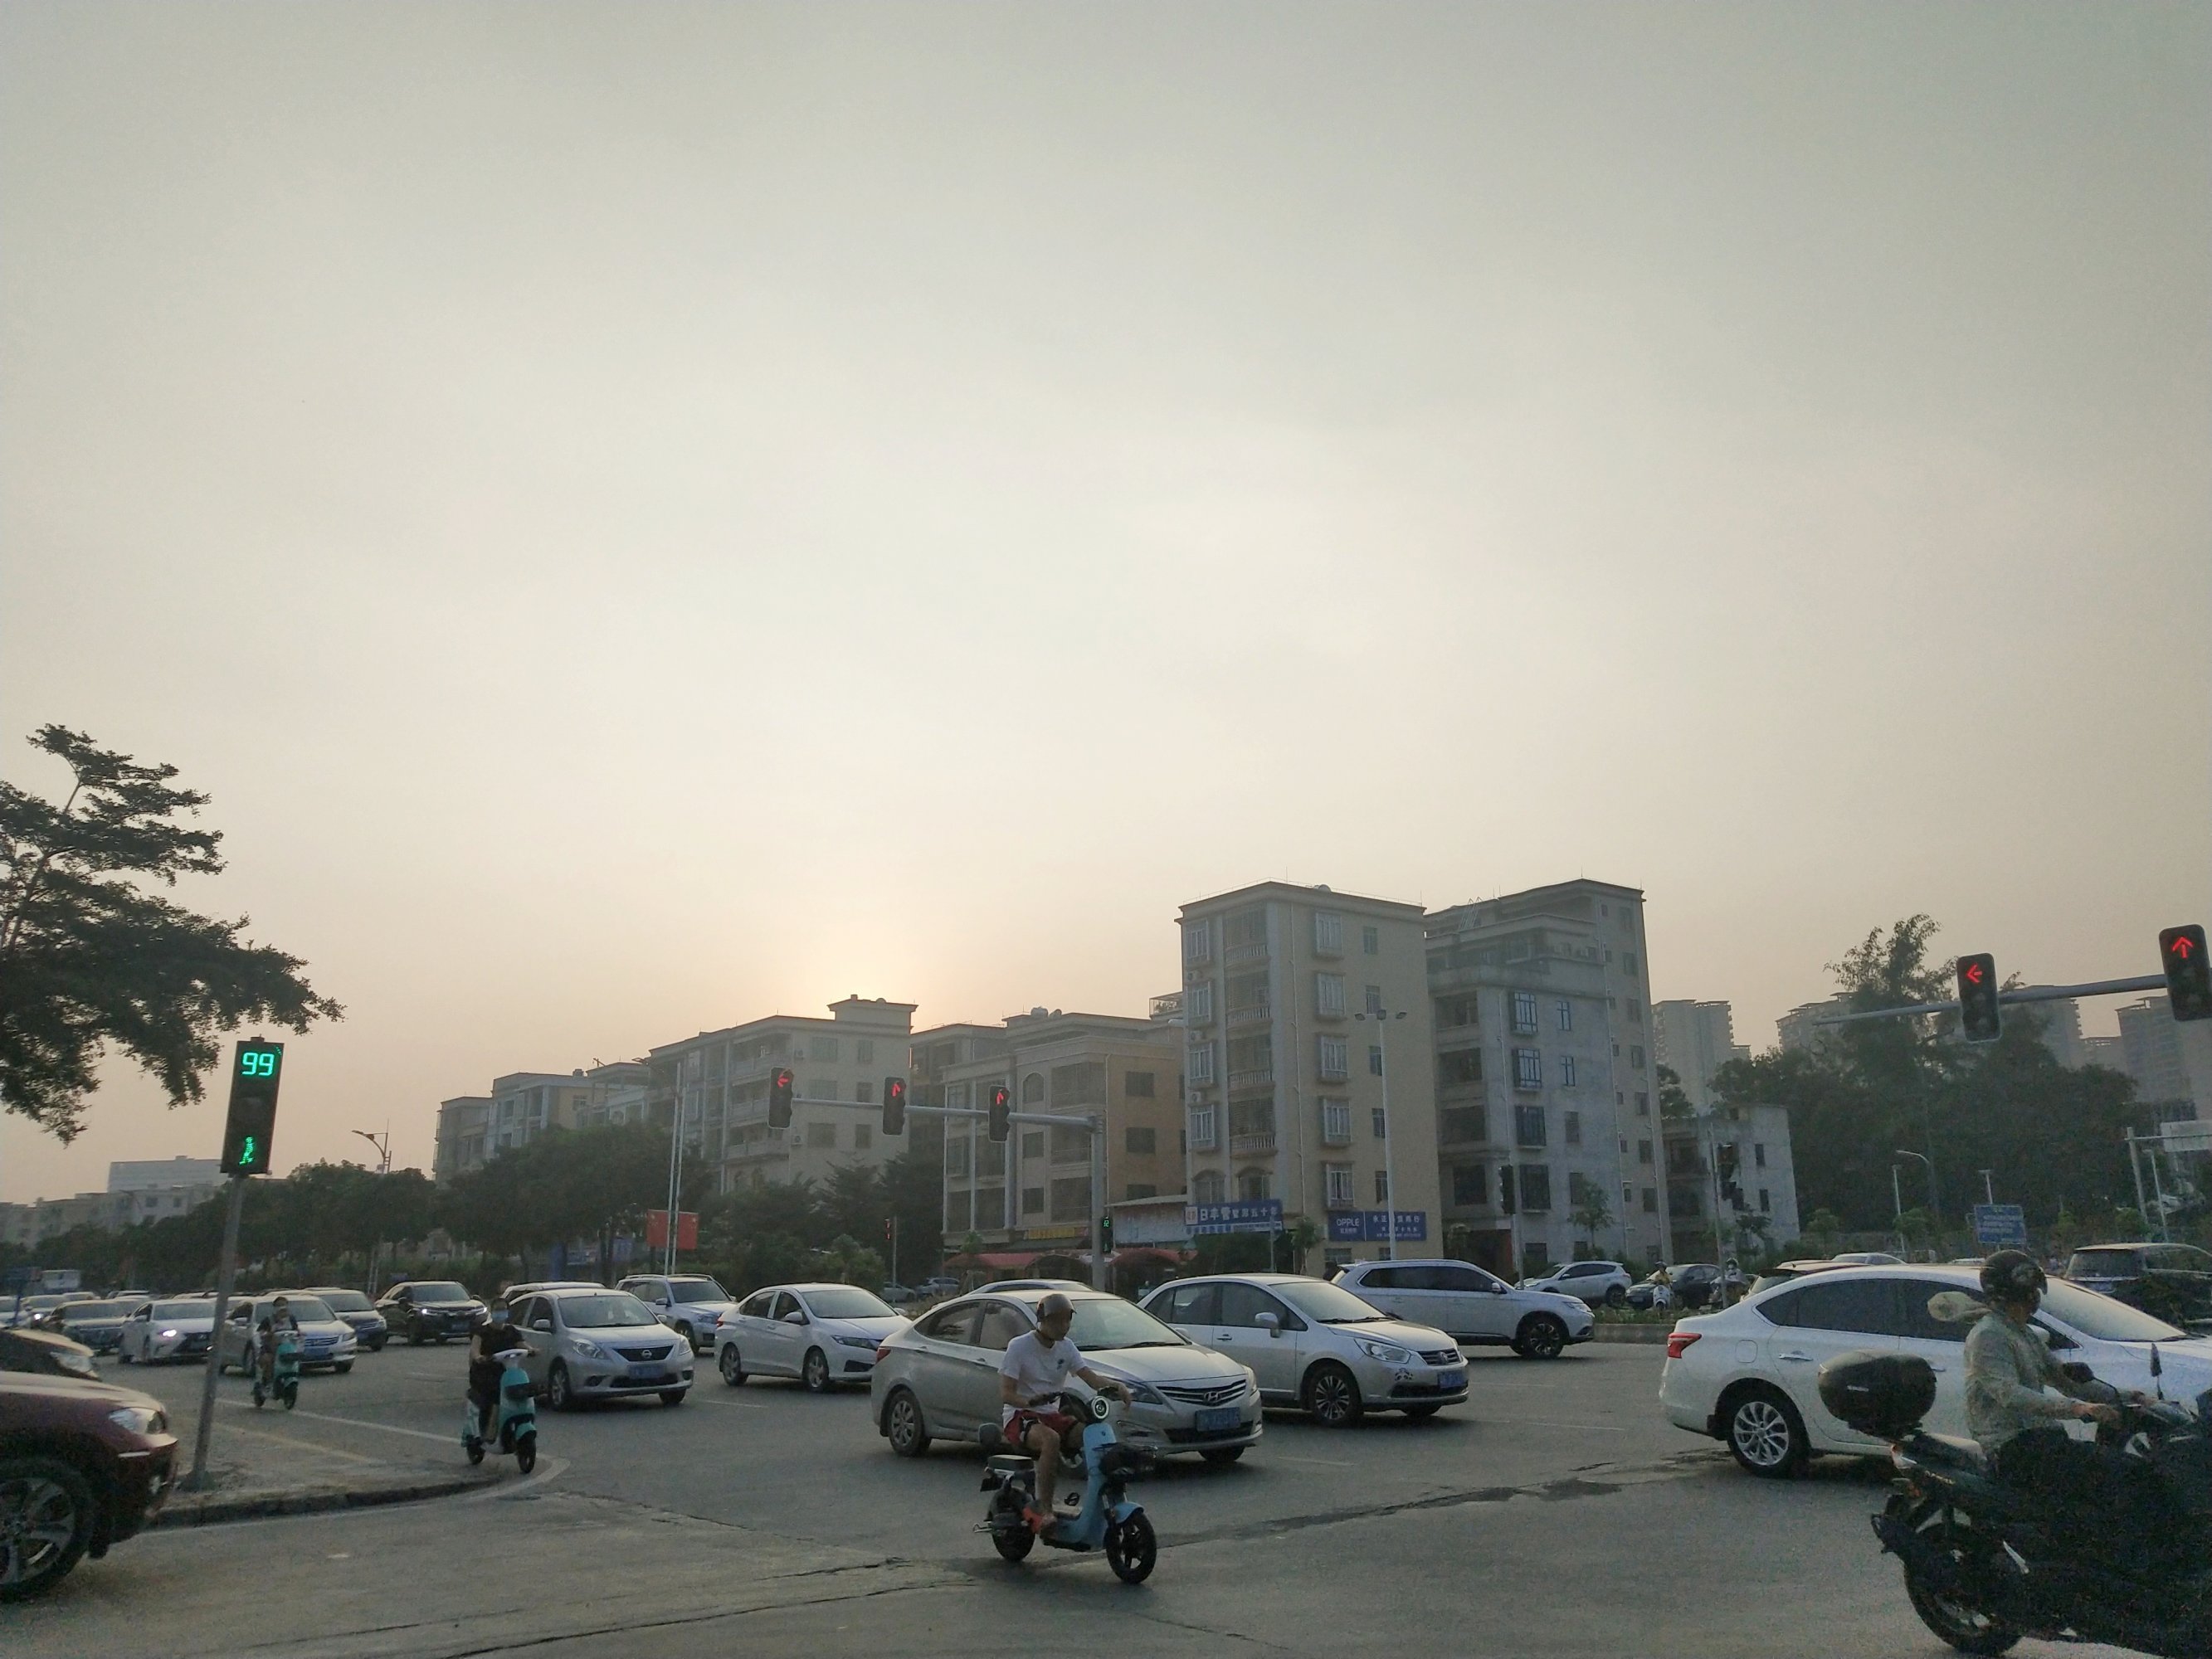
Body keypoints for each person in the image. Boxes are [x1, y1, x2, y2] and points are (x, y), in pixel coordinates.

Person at [1964, 1250, 2171, 1564]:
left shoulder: (2023, 1333)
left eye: (2034, 1291)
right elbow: (2010, 1394)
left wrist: (2128, 1397)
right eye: (2028, 1293)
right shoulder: (1989, 1335)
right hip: (2014, 1447)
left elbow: (2067, 1379)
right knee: (2126, 1474)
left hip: (2043, 1439)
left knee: (2131, 1471)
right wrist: (2078, 1409)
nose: (2034, 1299)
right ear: (2008, 1295)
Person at [999, 1292, 1128, 1530]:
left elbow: (1091, 1378)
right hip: (1020, 1415)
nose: (1064, 1326)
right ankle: (1045, 1509)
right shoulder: (1019, 1346)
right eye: (1058, 1320)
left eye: (1068, 1319)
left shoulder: (1067, 1347)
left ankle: (1101, 1501)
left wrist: (1117, 1387)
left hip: (1051, 1415)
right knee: (1051, 1439)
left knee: (1092, 1436)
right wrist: (1029, 1401)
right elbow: (1006, 1394)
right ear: (1043, 1320)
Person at [470, 1298, 529, 1438]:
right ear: (491, 1311)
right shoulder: (482, 1331)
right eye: (498, 1309)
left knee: (522, 1391)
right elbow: (475, 1350)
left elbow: (522, 1345)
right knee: (493, 1395)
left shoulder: (512, 1331)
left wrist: (532, 1350)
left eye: (503, 1309)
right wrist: (479, 1357)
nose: (501, 1312)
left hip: (508, 1372)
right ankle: (486, 1431)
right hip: (486, 1373)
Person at [256, 1295, 300, 1390]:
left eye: (284, 1305)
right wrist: (269, 1333)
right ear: (275, 1307)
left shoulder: (291, 1319)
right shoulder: (268, 1320)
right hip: (270, 1349)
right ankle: (266, 1382)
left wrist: (300, 1334)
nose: (282, 1307)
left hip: (287, 1347)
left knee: (293, 1359)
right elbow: (260, 1333)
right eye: (279, 1305)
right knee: (268, 1360)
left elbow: (297, 1330)